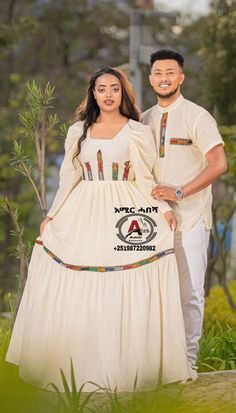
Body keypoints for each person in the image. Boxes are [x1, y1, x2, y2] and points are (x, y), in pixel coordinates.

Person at [6, 66, 193, 392]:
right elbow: (69, 178)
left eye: (114, 89)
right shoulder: (78, 130)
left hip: (125, 204)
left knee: (125, 274)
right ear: (92, 93)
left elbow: (145, 176)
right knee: (78, 274)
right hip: (84, 208)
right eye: (101, 88)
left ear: (123, 93)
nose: (108, 94)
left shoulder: (137, 131)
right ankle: (77, 365)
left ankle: (125, 368)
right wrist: (53, 214)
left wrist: (162, 210)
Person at [141, 49, 227, 378]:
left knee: (189, 292)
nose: (164, 78)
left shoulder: (197, 116)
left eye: (170, 72)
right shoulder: (144, 119)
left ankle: (187, 364)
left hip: (191, 219)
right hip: (155, 221)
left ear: (181, 78)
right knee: (157, 293)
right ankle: (161, 363)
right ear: (151, 79)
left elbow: (219, 163)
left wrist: (179, 192)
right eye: (158, 73)